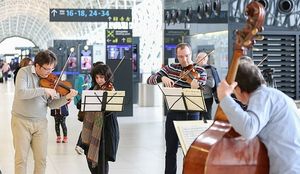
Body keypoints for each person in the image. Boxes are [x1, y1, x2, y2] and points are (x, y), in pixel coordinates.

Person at [217, 59, 300, 174]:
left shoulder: (262, 96)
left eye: (234, 92)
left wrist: (225, 98)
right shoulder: (274, 95)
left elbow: (248, 129)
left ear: (238, 88)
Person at [11, 50, 78, 174]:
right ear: (37, 65)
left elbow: (52, 105)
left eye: (52, 69)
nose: (50, 73)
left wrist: (66, 98)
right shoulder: (23, 72)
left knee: (41, 159)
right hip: (21, 121)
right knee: (21, 159)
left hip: (40, 123)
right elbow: (21, 93)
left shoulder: (51, 79)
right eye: (47, 69)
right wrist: (44, 90)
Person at [147, 43, 207, 174]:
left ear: (191, 54)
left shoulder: (200, 71)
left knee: (190, 151)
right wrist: (161, 77)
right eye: (180, 57)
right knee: (170, 150)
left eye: (187, 56)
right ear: (176, 56)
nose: (184, 60)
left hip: (192, 114)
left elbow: (201, 87)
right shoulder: (170, 68)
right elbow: (149, 80)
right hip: (173, 113)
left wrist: (193, 83)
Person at [77, 64, 119, 174]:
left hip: (106, 131)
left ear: (107, 76)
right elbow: (79, 105)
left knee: (102, 163)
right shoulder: (93, 89)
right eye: (96, 77)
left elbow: (112, 111)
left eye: (102, 77)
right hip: (91, 132)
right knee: (91, 164)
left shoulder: (111, 90)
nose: (99, 80)